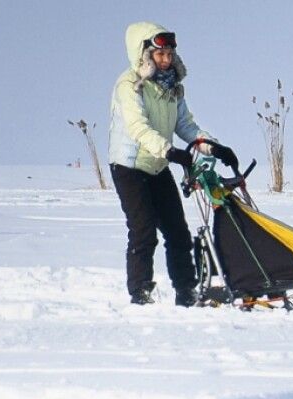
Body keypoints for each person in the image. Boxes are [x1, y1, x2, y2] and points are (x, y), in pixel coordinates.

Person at [108, 22, 236, 306]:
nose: (166, 60)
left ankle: (187, 293)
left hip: (157, 165)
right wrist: (171, 152)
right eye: (159, 54)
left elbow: (186, 126)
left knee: (178, 232)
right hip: (129, 166)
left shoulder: (173, 88)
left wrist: (214, 147)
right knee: (143, 232)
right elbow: (138, 128)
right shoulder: (130, 86)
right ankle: (140, 294)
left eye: (169, 54)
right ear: (144, 55)